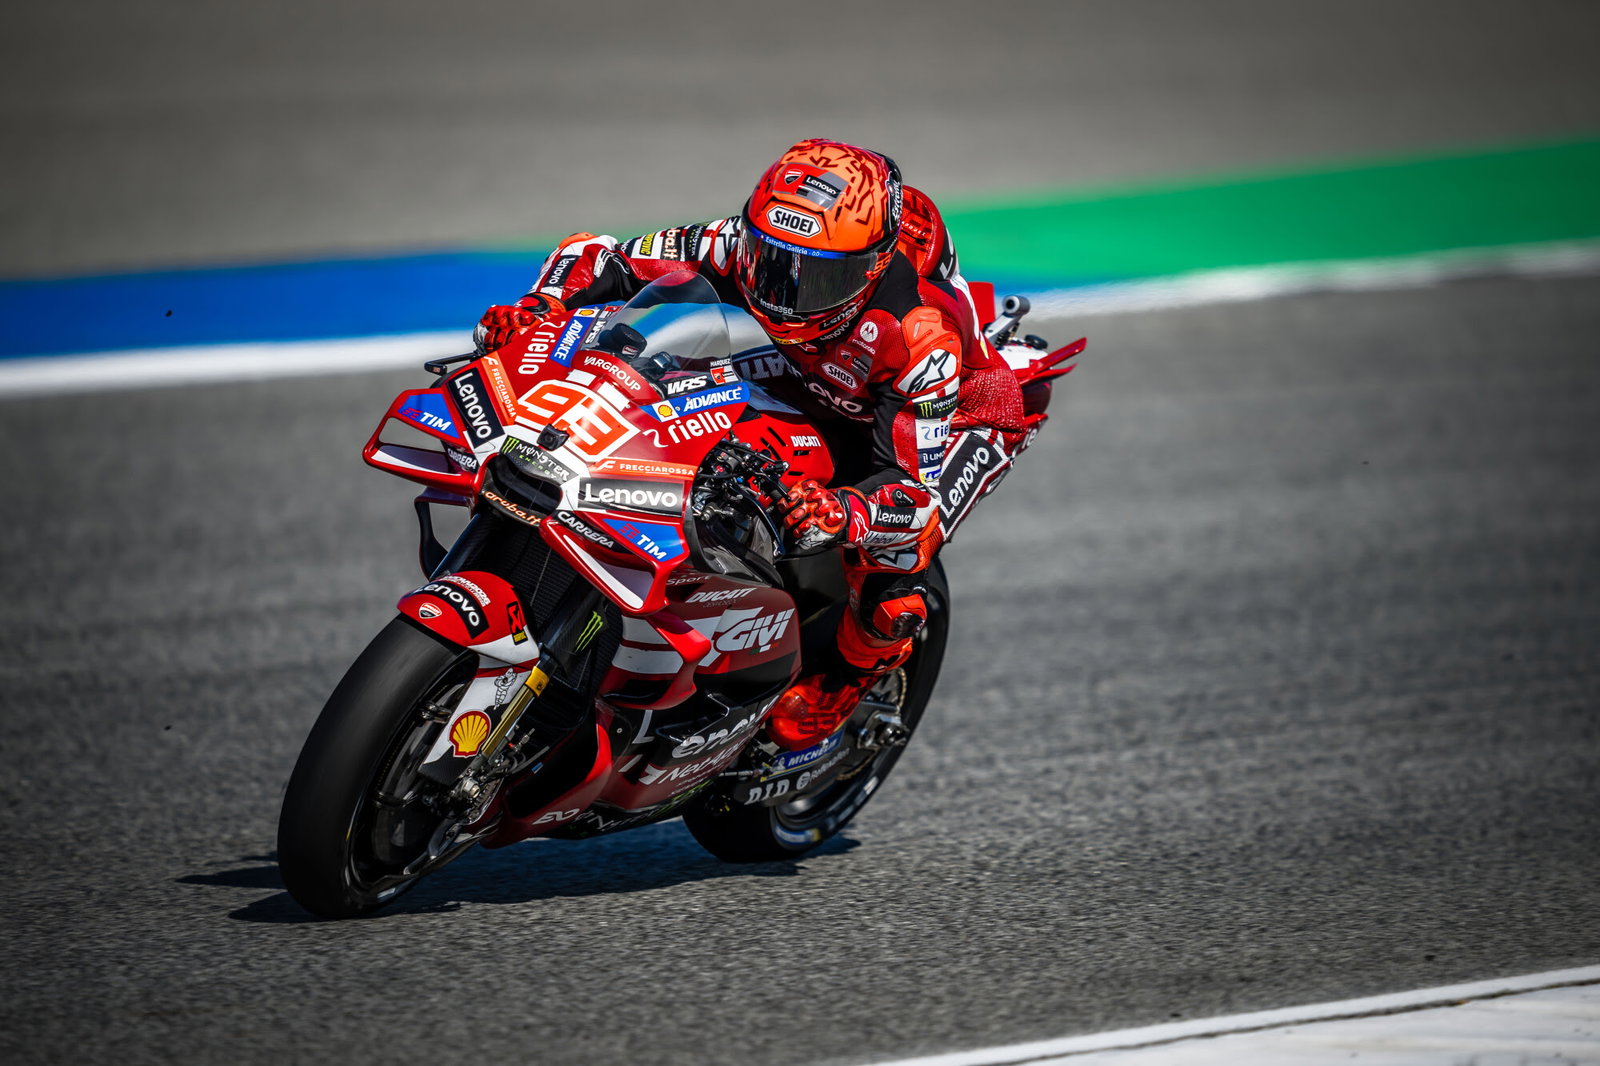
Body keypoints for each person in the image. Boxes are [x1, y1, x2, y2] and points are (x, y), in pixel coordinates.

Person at [474, 138, 1028, 751]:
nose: (786, 289)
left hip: (946, 414)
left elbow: (912, 495)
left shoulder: (921, 339)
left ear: (869, 269)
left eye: (819, 276)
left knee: (898, 556)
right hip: (798, 375)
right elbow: (595, 254)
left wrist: (844, 511)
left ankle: (846, 685)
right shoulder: (731, 243)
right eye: (772, 259)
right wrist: (537, 307)